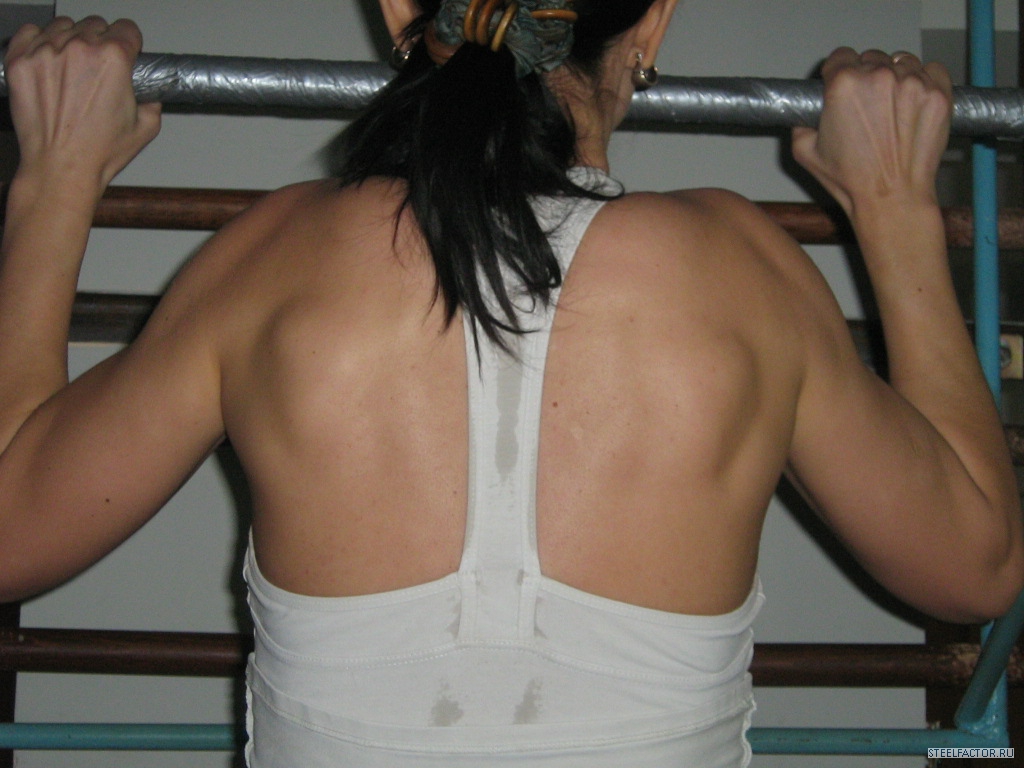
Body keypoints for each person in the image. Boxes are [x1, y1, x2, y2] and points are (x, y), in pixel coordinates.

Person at [0, 1, 1021, 766]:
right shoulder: (739, 270)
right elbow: (978, 568)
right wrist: (895, 208)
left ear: (400, 12)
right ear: (652, 22)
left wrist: (55, 177)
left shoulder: (274, 258)